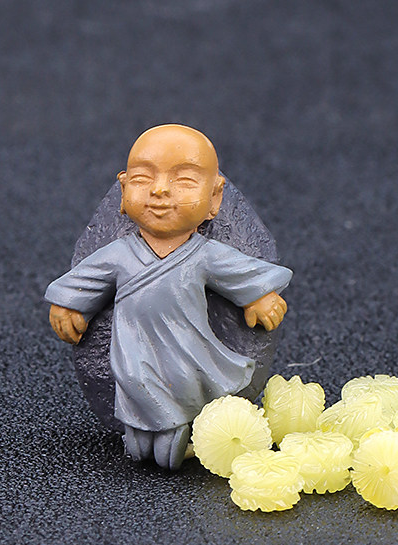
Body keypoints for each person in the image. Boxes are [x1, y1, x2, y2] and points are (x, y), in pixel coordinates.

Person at [45, 124, 292, 469]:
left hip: (188, 349)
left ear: (215, 197)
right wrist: (69, 304)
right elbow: (87, 279)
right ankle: (144, 438)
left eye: (185, 181)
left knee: (185, 387)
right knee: (135, 383)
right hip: (133, 350)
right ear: (123, 189)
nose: (160, 190)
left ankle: (182, 439)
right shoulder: (119, 253)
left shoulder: (205, 255)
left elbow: (241, 273)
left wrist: (259, 297)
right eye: (142, 179)